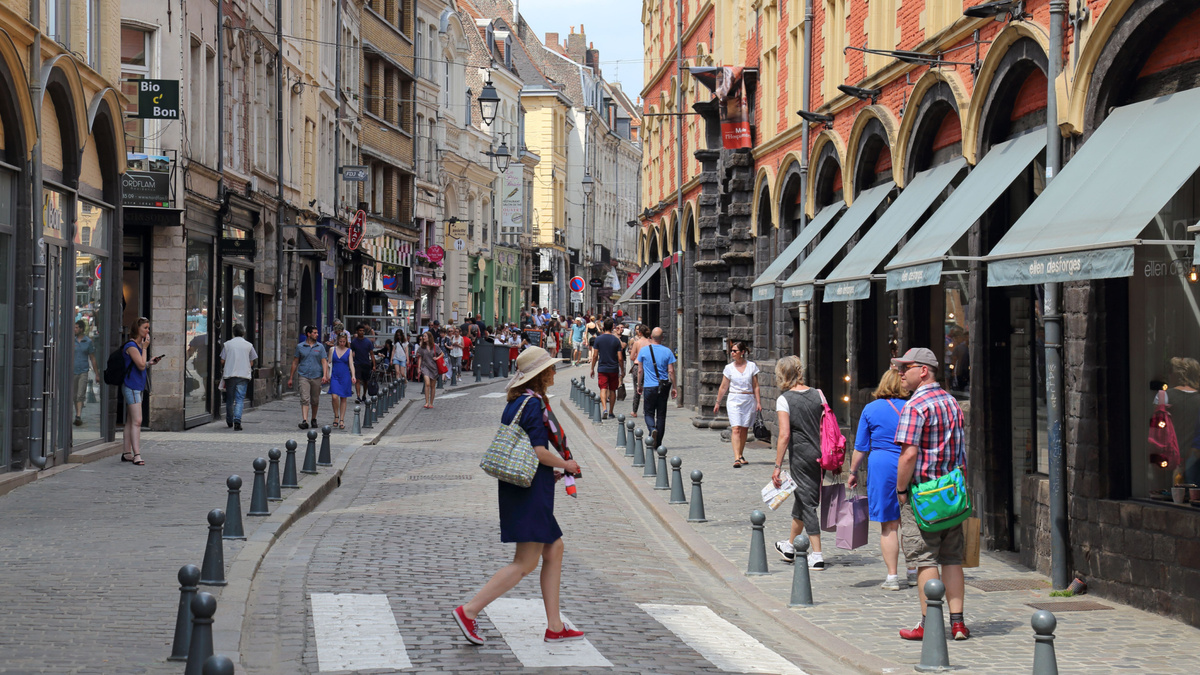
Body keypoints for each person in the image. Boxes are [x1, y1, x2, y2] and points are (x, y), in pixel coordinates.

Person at [453, 347, 583, 646]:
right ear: (538, 375)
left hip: (523, 485)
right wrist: (565, 465)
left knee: (554, 549)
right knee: (524, 563)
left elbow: (525, 450)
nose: (553, 372)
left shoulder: (516, 402)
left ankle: (554, 626)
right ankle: (469, 611)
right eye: (549, 369)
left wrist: (546, 469)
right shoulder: (534, 405)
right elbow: (538, 451)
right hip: (530, 493)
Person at [892, 347, 970, 641]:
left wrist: (901, 491)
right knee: (952, 558)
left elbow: (909, 455)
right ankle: (959, 623)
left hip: (924, 494)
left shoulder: (915, 406)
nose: (900, 373)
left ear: (923, 370)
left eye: (906, 368)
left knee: (925, 559)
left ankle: (930, 623)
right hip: (951, 493)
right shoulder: (952, 402)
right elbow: (961, 451)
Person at [847, 369, 915, 590]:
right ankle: (913, 571)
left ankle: (892, 577)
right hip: (910, 463)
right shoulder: (912, 408)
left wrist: (852, 472)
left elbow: (860, 448)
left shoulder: (870, 409)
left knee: (889, 525)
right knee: (912, 522)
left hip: (882, 466)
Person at [770, 355, 828, 570]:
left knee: (808, 503)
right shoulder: (819, 394)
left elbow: (784, 435)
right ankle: (789, 545)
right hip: (820, 453)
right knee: (803, 498)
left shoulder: (784, 399)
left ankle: (817, 554)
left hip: (801, 455)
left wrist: (777, 466)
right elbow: (826, 426)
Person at [713, 341, 762, 468]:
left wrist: (758, 402)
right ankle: (736, 458)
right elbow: (724, 387)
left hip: (748, 398)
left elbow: (756, 386)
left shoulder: (752, 366)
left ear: (742, 352)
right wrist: (718, 402)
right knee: (736, 428)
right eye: (732, 350)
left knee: (744, 428)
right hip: (734, 399)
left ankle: (740, 454)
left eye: (735, 351)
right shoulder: (729, 368)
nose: (732, 353)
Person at [121, 317, 161, 465]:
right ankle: (137, 454)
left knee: (131, 420)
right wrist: (145, 348)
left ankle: (126, 452)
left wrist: (150, 362)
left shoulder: (137, 345)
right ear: (137, 329)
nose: (147, 331)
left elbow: (143, 364)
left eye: (148, 328)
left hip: (137, 385)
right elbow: (140, 366)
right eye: (145, 328)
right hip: (131, 386)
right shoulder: (132, 345)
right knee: (138, 421)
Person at [636, 328, 677, 447]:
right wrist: (674, 387)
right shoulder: (668, 351)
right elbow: (671, 370)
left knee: (648, 412)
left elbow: (640, 370)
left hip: (649, 386)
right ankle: (658, 442)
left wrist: (639, 385)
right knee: (661, 414)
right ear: (662, 338)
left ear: (651, 337)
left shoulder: (643, 351)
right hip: (663, 386)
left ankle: (652, 428)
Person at [288, 325, 330, 430]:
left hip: (316, 376)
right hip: (303, 375)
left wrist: (325, 375)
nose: (317, 334)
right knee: (304, 398)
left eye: (317, 333)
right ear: (308, 334)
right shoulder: (300, 347)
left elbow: (324, 361)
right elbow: (295, 362)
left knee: (315, 400)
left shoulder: (320, 347)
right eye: (315, 333)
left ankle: (314, 419)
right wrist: (291, 377)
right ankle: (305, 420)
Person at [220, 324, 258, 431]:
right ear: (243, 333)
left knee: (229, 399)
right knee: (240, 399)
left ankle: (229, 419)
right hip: (243, 375)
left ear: (233, 332)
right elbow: (251, 362)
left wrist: (228, 364)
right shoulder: (249, 345)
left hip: (230, 374)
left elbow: (222, 360)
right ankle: (237, 420)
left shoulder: (227, 345)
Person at [590, 318, 625, 419]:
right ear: (613, 327)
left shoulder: (598, 339)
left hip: (602, 368)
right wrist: (622, 370)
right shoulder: (616, 340)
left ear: (604, 327)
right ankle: (611, 412)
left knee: (603, 388)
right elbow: (620, 358)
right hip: (614, 368)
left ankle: (604, 408)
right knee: (613, 390)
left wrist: (592, 368)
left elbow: (595, 355)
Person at [72, 320, 98, 426]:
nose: (75, 329)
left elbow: (92, 358)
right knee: (74, 396)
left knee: (80, 394)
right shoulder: (71, 340)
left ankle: (78, 416)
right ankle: (78, 410)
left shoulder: (88, 342)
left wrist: (97, 373)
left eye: (77, 327)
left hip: (83, 370)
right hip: (72, 371)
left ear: (81, 329)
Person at [327, 333, 356, 428]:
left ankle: (342, 419)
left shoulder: (349, 351)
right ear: (337, 341)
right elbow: (329, 363)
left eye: (344, 342)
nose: (342, 343)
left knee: (343, 398)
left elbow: (351, 364)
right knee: (334, 397)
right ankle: (336, 415)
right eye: (340, 341)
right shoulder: (332, 350)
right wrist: (327, 374)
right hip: (335, 376)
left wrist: (353, 375)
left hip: (345, 376)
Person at [627, 325, 651, 417]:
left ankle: (634, 411)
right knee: (647, 389)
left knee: (637, 389)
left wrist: (637, 354)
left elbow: (632, 357)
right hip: (648, 367)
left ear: (640, 333)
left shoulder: (637, 343)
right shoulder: (651, 343)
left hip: (637, 366)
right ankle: (647, 410)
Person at [416, 331, 444, 409]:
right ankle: (426, 402)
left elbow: (442, 353)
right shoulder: (422, 347)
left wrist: (437, 358)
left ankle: (431, 402)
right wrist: (419, 368)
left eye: (425, 336)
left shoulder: (435, 346)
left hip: (433, 367)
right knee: (427, 383)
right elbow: (420, 357)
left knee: (432, 386)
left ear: (429, 337)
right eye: (423, 336)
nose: (423, 337)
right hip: (425, 367)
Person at [350, 325, 375, 402]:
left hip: (366, 363)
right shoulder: (354, 342)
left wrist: (374, 365)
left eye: (362, 330)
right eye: (360, 330)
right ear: (357, 331)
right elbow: (351, 353)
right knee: (357, 380)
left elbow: (371, 353)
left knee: (365, 381)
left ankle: (364, 394)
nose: (361, 332)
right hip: (357, 363)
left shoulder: (368, 342)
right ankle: (358, 396)